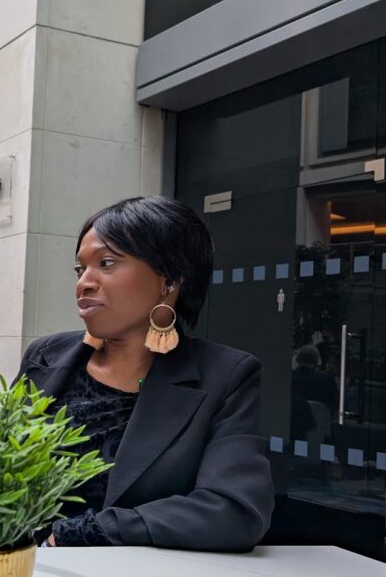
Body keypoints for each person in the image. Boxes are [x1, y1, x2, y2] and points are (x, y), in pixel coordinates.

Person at [14, 195, 274, 552]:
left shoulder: (226, 376)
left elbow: (234, 509)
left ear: (169, 281)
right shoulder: (45, 357)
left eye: (106, 263)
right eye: (80, 269)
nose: (84, 283)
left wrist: (93, 530)